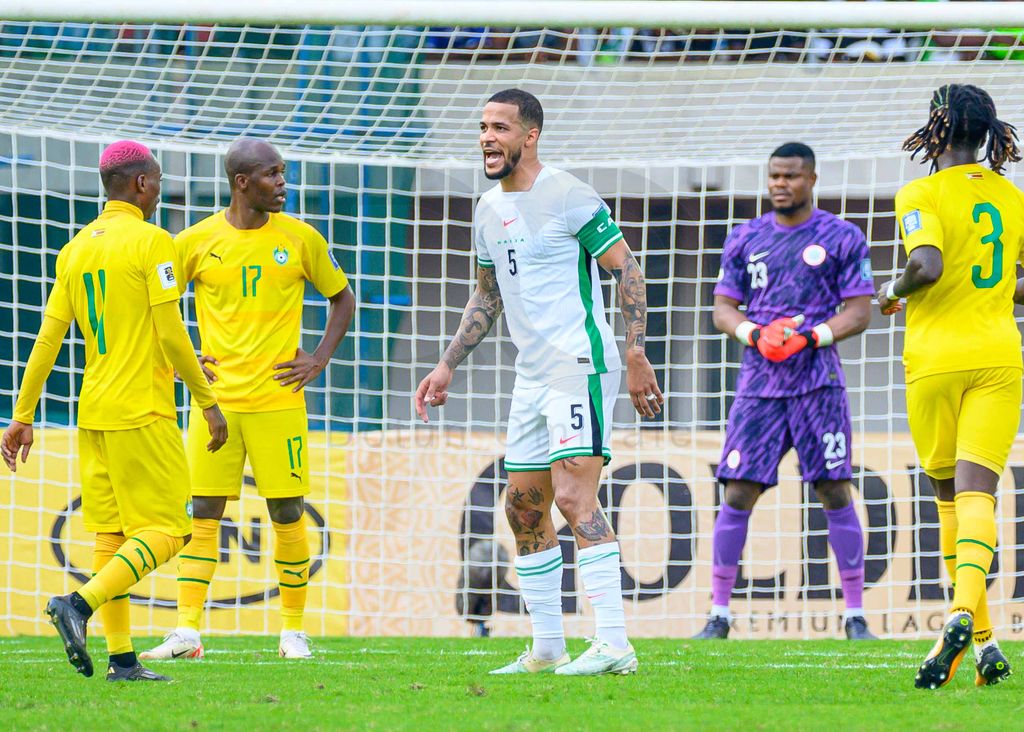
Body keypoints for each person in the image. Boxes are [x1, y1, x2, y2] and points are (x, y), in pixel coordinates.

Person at [414, 88, 662, 676]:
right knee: (524, 507)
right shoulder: (485, 208)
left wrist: (635, 352)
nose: (487, 137)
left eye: (500, 127)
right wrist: (448, 362)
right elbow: (488, 294)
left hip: (581, 366)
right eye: (482, 127)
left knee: (575, 499)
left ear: (530, 136)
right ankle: (548, 646)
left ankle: (614, 644)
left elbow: (627, 268)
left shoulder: (569, 195)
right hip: (530, 376)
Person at [1, 140, 228, 681]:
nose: (158, 191)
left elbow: (48, 339)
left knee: (112, 538)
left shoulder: (75, 249)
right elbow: (171, 329)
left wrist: (22, 415)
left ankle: (122, 661)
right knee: (173, 531)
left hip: (94, 412)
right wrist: (207, 400)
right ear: (141, 185)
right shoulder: (155, 243)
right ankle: (77, 605)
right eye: (157, 181)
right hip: (141, 412)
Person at [141, 138, 355, 661]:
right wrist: (181, 362)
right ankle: (187, 631)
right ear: (242, 182)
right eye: (273, 175)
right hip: (215, 403)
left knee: (286, 510)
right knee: (203, 511)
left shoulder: (301, 238)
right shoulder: (192, 241)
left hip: (278, 401)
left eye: (283, 174)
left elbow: (343, 298)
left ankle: (293, 632)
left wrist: (319, 358)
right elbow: (156, 306)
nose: (283, 183)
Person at [695, 142, 876, 641]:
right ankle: (719, 615)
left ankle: (855, 615)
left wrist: (809, 336)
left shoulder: (841, 236)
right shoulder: (745, 237)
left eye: (791, 176)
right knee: (738, 491)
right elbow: (723, 309)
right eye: (775, 175)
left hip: (819, 384)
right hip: (760, 387)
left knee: (834, 488)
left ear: (811, 179)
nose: (781, 184)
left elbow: (860, 311)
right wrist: (755, 334)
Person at [877, 83, 1022, 689]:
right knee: (978, 496)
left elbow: (928, 265)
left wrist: (891, 293)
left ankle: (960, 614)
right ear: (987, 131)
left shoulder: (920, 191)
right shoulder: (1012, 196)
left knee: (945, 497)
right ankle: (983, 640)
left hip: (935, 360)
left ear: (936, 128)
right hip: (999, 355)